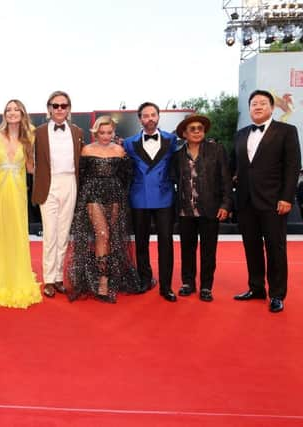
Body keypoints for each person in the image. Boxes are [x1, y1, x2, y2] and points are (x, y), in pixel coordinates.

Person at [230, 90, 301, 313]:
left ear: (271, 108)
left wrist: (286, 198)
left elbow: (292, 167)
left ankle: (277, 294)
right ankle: (256, 287)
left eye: (262, 103)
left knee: (275, 248)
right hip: (245, 201)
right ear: (249, 109)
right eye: (253, 104)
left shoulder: (286, 131)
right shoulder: (241, 134)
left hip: (273, 201)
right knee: (251, 247)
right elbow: (237, 165)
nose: (258, 107)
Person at [66, 116, 144, 302]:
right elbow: (81, 175)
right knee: (102, 234)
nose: (106, 136)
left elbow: (127, 175)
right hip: (92, 194)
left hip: (114, 194)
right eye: (102, 132)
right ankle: (102, 281)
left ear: (114, 132)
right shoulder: (86, 150)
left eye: (109, 132)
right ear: (95, 132)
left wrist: (120, 193)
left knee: (112, 235)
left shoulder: (119, 150)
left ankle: (111, 276)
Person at [0, 99, 42, 309]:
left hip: (18, 193)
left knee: (17, 233)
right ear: (4, 114)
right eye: (8, 110)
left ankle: (17, 279)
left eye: (17, 109)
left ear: (23, 114)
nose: (12, 113)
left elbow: (32, 168)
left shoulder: (29, 138)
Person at [173, 114, 232, 302]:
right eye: (192, 128)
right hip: (185, 211)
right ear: (184, 133)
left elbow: (226, 179)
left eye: (200, 128)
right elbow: (174, 180)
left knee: (209, 250)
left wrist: (225, 204)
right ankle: (188, 283)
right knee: (187, 249)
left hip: (211, 209)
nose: (197, 131)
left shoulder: (217, 150)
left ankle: (206, 286)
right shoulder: (177, 155)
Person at [123, 102, 179, 302]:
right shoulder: (128, 143)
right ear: (140, 119)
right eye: (145, 116)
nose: (150, 119)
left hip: (165, 197)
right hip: (139, 197)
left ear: (158, 116)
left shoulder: (172, 140)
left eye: (153, 114)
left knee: (166, 243)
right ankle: (144, 279)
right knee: (141, 243)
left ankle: (166, 286)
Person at [31, 90, 84, 298]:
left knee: (63, 233)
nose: (60, 109)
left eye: (64, 106)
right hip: (48, 184)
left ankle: (59, 278)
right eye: (56, 106)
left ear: (69, 109)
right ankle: (49, 279)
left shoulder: (77, 132)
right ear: (49, 109)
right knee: (50, 234)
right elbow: (26, 154)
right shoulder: (39, 132)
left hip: (70, 182)